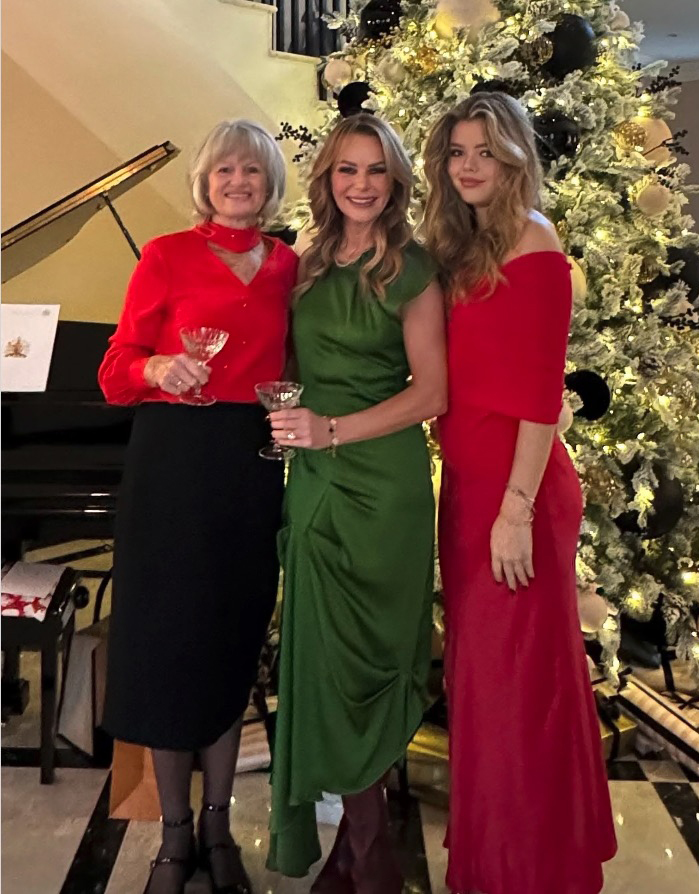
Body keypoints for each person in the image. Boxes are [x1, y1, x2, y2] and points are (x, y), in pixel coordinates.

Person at [423, 92, 617, 894]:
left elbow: (541, 393)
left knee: (513, 689)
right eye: (458, 152)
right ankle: (501, 859)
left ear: (514, 159)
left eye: (485, 152)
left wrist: (515, 511)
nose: (469, 166)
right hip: (471, 486)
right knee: (489, 682)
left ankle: (523, 872)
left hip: (518, 493)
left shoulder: (535, 244)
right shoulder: (471, 246)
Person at [98, 119, 298, 894]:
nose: (238, 182)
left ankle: (220, 828)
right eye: (224, 171)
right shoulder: (165, 255)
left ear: (270, 181)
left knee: (230, 642)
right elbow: (116, 371)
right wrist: (159, 365)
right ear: (206, 183)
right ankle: (173, 838)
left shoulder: (290, 266)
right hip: (172, 464)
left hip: (251, 465)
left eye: (252, 170)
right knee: (169, 650)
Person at [265, 113, 446, 893]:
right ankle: (356, 849)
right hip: (314, 485)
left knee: (371, 658)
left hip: (384, 488)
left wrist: (331, 428)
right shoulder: (303, 265)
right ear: (327, 180)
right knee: (320, 660)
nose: (362, 184)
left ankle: (370, 856)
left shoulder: (415, 267)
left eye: (376, 170)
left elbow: (432, 393)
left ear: (396, 180)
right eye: (347, 170)